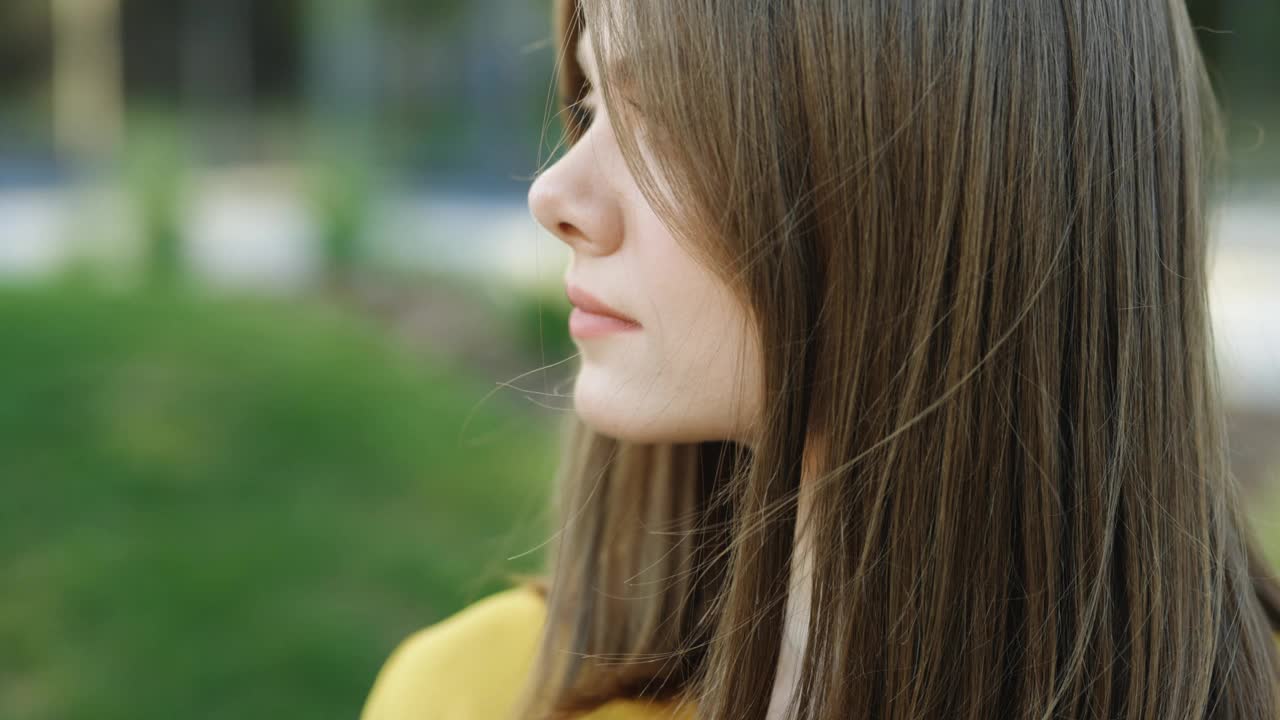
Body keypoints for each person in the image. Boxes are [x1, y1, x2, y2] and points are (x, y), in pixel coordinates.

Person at [360, 1, 1280, 718]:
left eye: (670, 115)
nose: (555, 194)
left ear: (938, 169)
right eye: (591, 104)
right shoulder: (478, 697)